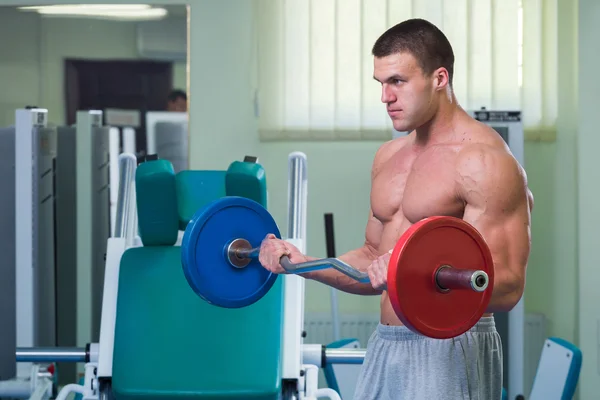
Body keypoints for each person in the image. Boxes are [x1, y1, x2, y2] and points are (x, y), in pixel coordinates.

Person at [259, 18, 533, 400]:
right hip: (387, 343)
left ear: (439, 78)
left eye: (398, 82)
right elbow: (373, 258)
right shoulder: (389, 157)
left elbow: (505, 286)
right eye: (381, 84)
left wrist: (409, 272)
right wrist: (304, 262)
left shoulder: (483, 161)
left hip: (450, 347)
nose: (385, 96)